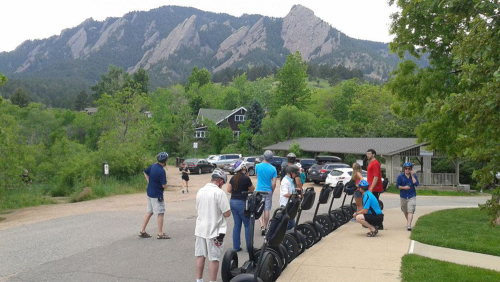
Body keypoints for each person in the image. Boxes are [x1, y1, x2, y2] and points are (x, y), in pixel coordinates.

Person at [195, 169, 231, 282]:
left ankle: (199, 280)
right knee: (214, 259)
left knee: (200, 255)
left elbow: (198, 208)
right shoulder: (219, 193)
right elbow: (227, 213)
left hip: (200, 229)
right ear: (220, 181)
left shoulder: (200, 191)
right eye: (223, 183)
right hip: (215, 231)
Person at [140, 152, 170, 239]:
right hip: (157, 195)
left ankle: (143, 230)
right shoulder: (161, 171)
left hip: (149, 192)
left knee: (149, 211)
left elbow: (145, 172)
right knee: (160, 213)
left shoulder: (153, 166)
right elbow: (163, 185)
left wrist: (149, 182)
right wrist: (166, 185)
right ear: (165, 161)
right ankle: (160, 233)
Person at [227, 160, 255, 252]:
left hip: (232, 201)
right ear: (242, 168)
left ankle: (236, 247)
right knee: (247, 225)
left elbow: (228, 190)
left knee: (237, 224)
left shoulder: (233, 178)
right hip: (242, 202)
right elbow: (252, 189)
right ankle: (249, 247)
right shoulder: (246, 178)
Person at [255, 150, 277, 236]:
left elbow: (257, 176)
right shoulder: (273, 168)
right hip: (268, 191)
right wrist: (272, 190)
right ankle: (266, 227)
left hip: (259, 190)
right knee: (266, 209)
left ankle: (262, 226)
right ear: (271, 158)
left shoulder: (257, 166)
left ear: (263, 156)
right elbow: (274, 183)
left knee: (258, 208)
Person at [396, 162, 419, 231]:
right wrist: (404, 188)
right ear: (404, 169)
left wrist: (412, 176)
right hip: (403, 196)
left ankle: (409, 225)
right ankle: (408, 221)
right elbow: (397, 186)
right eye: (406, 168)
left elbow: (416, 184)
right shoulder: (400, 176)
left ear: (411, 169)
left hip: (412, 195)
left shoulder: (414, 176)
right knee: (405, 210)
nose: (407, 170)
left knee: (410, 210)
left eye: (409, 169)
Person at [280, 165, 299, 229]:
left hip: (290, 203)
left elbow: (290, 190)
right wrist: (295, 196)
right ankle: (285, 236)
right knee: (290, 223)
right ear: (291, 173)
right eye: (295, 173)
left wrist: (296, 190)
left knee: (291, 221)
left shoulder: (290, 180)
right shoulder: (285, 181)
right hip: (285, 204)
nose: (296, 175)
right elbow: (285, 193)